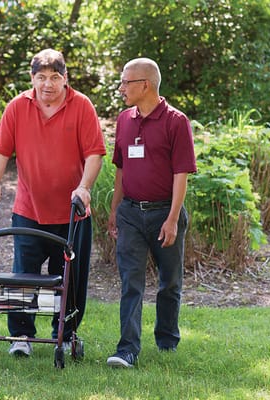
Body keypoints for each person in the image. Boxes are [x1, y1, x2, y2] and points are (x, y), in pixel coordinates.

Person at [0, 48, 106, 357]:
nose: (48, 84)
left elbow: (94, 154)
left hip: (72, 212)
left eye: (55, 77)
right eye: (41, 78)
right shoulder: (17, 107)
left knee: (71, 278)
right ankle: (21, 335)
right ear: (32, 78)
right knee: (23, 273)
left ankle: (65, 333)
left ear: (65, 79)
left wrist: (84, 187)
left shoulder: (81, 106)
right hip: (29, 210)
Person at [106, 57, 197, 368]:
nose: (121, 88)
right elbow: (120, 169)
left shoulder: (176, 121)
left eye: (125, 83)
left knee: (169, 282)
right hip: (131, 212)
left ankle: (167, 339)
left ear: (144, 85)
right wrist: (115, 208)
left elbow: (181, 174)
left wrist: (172, 219)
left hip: (164, 214)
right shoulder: (124, 120)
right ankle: (127, 349)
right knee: (131, 282)